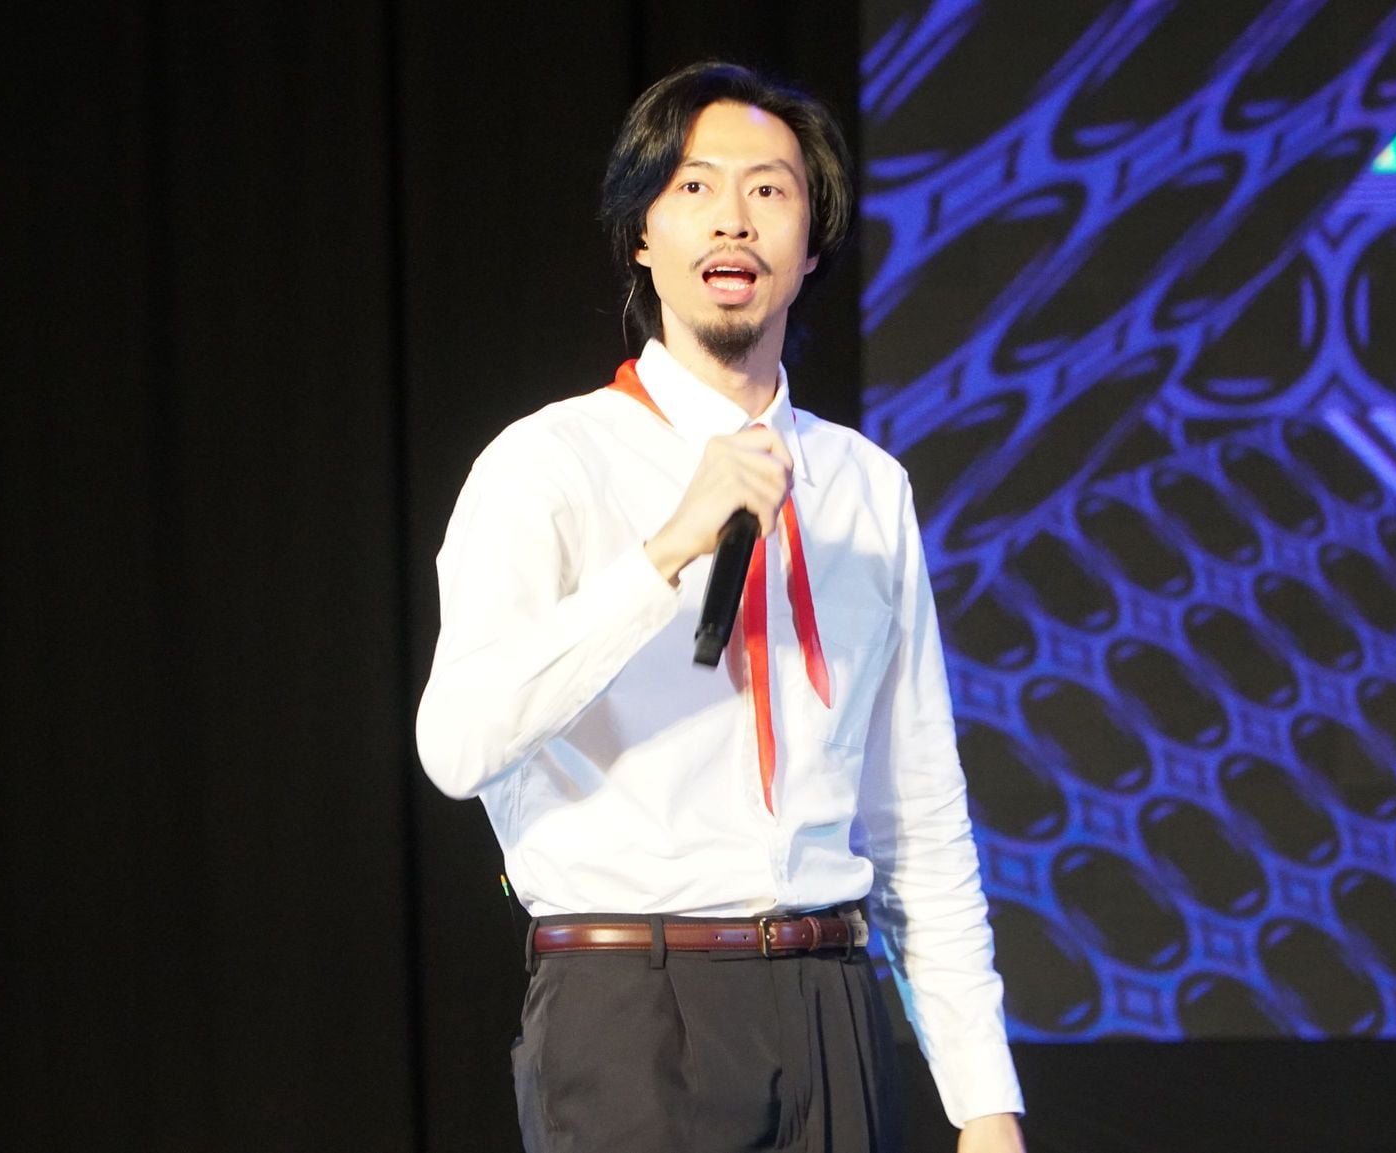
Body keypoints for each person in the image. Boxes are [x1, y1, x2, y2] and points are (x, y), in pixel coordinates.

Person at [415, 61, 1025, 1153]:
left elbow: (917, 815)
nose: (731, 221)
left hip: (831, 1000)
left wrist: (982, 1103)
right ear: (640, 236)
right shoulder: (548, 464)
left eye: (769, 190)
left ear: (811, 242)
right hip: (634, 1006)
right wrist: (663, 553)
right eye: (693, 189)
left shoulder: (865, 487)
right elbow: (455, 743)